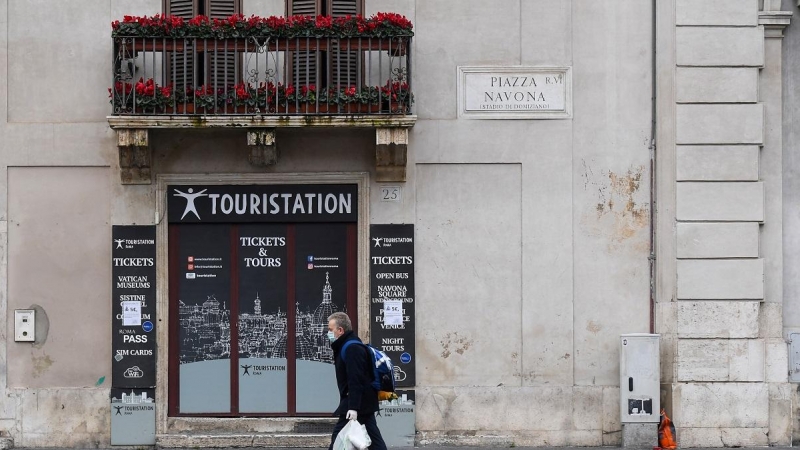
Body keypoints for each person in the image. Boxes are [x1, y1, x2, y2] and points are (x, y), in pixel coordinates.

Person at [327, 312, 387, 450]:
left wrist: (353, 407)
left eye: (330, 330)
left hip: (357, 403)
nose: (328, 333)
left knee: (338, 439)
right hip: (362, 403)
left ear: (340, 330)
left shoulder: (352, 348)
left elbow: (356, 379)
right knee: (375, 442)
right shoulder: (348, 345)